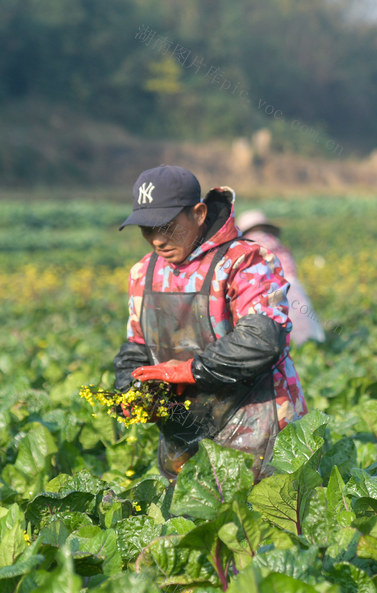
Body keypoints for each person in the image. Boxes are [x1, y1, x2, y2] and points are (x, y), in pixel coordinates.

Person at [112, 165, 307, 482]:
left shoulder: (246, 261)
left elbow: (262, 341)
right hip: (185, 436)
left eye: (167, 226)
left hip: (258, 429)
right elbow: (136, 347)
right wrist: (131, 391)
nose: (157, 240)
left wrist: (187, 371)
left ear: (199, 213)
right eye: (147, 229)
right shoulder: (143, 273)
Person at [235, 210, 326, 345]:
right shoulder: (274, 242)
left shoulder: (251, 245)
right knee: (303, 328)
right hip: (292, 288)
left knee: (275, 334)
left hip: (269, 291)